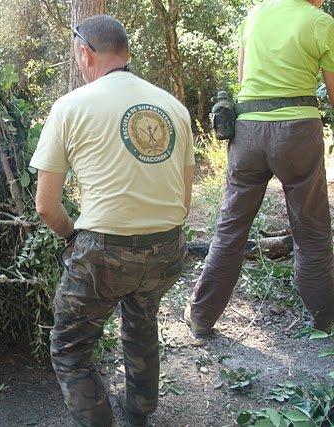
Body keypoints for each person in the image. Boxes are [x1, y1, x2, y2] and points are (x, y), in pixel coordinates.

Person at [30, 14, 194, 427]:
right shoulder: (174, 108)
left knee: (70, 350)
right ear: (126, 52)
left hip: (103, 254)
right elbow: (184, 201)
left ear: (85, 53)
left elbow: (46, 205)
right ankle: (139, 415)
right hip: (167, 250)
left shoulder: (70, 107)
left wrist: (72, 237)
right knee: (141, 323)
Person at [188, 0, 334, 338]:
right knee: (311, 231)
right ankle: (324, 319)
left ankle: (201, 316)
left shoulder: (253, 15)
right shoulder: (320, 22)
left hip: (248, 133)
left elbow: (243, 80)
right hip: (297, 133)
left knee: (230, 229)